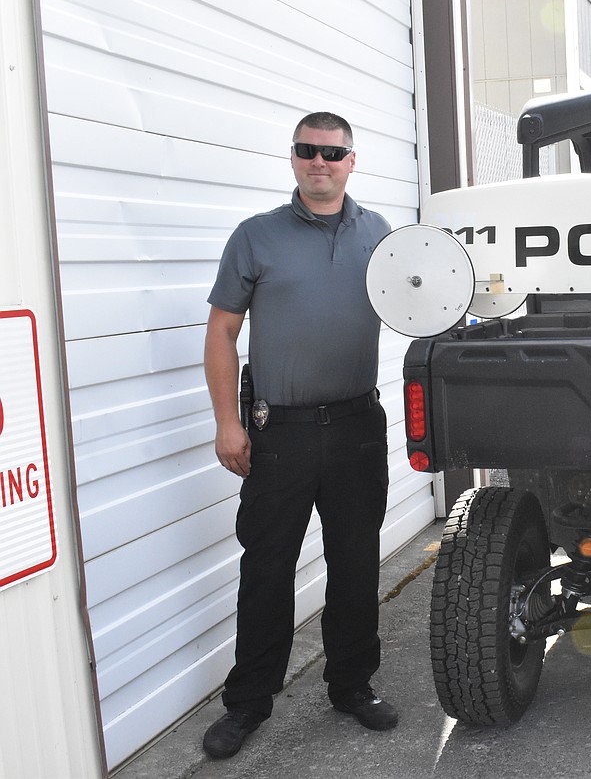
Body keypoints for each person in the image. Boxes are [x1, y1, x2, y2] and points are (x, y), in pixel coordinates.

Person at [201, 112, 396, 759]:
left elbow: (425, 298)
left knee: (354, 564)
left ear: (351, 160)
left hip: (356, 427)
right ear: (292, 159)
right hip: (276, 431)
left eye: (332, 152)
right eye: (308, 151)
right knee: (266, 570)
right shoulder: (256, 237)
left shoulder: (380, 235)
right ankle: (249, 703)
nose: (321, 161)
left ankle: (351, 685)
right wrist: (228, 421)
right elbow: (222, 333)